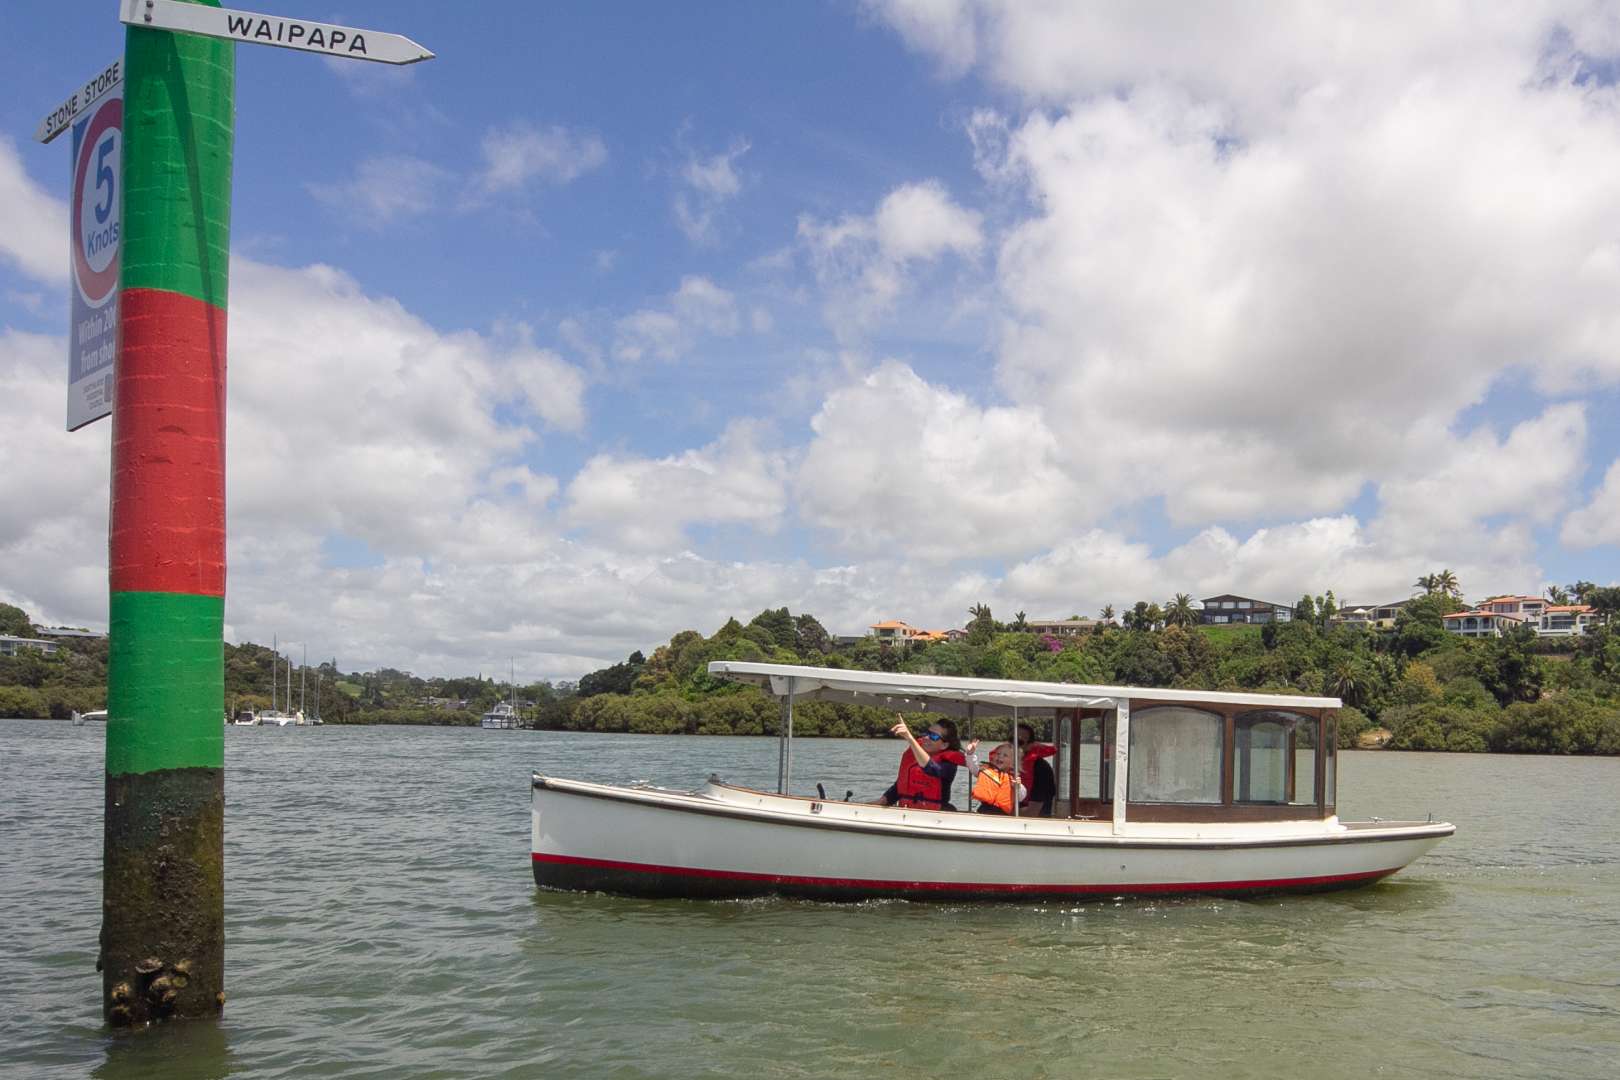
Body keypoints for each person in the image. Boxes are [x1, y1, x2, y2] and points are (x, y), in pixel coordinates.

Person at [875, 714, 964, 811]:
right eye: (927, 733)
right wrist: (879, 802)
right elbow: (897, 790)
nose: (926, 737)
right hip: (906, 812)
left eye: (933, 736)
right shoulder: (913, 757)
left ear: (944, 745)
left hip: (936, 816)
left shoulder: (948, 763)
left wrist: (909, 738)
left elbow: (931, 768)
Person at [963, 739, 1025, 815]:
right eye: (998, 754)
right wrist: (970, 754)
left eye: (1005, 755)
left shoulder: (1013, 779)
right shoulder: (986, 770)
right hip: (983, 810)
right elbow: (973, 767)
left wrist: (1017, 787)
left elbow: (1021, 796)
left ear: (1013, 763)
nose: (1000, 757)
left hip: (1001, 816)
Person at [1016, 721, 1058, 817]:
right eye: (1012, 739)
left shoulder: (1041, 769)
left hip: (1033, 826)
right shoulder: (1004, 764)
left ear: (1030, 745)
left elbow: (1032, 812)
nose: (1014, 743)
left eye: (1020, 741)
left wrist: (1002, 812)